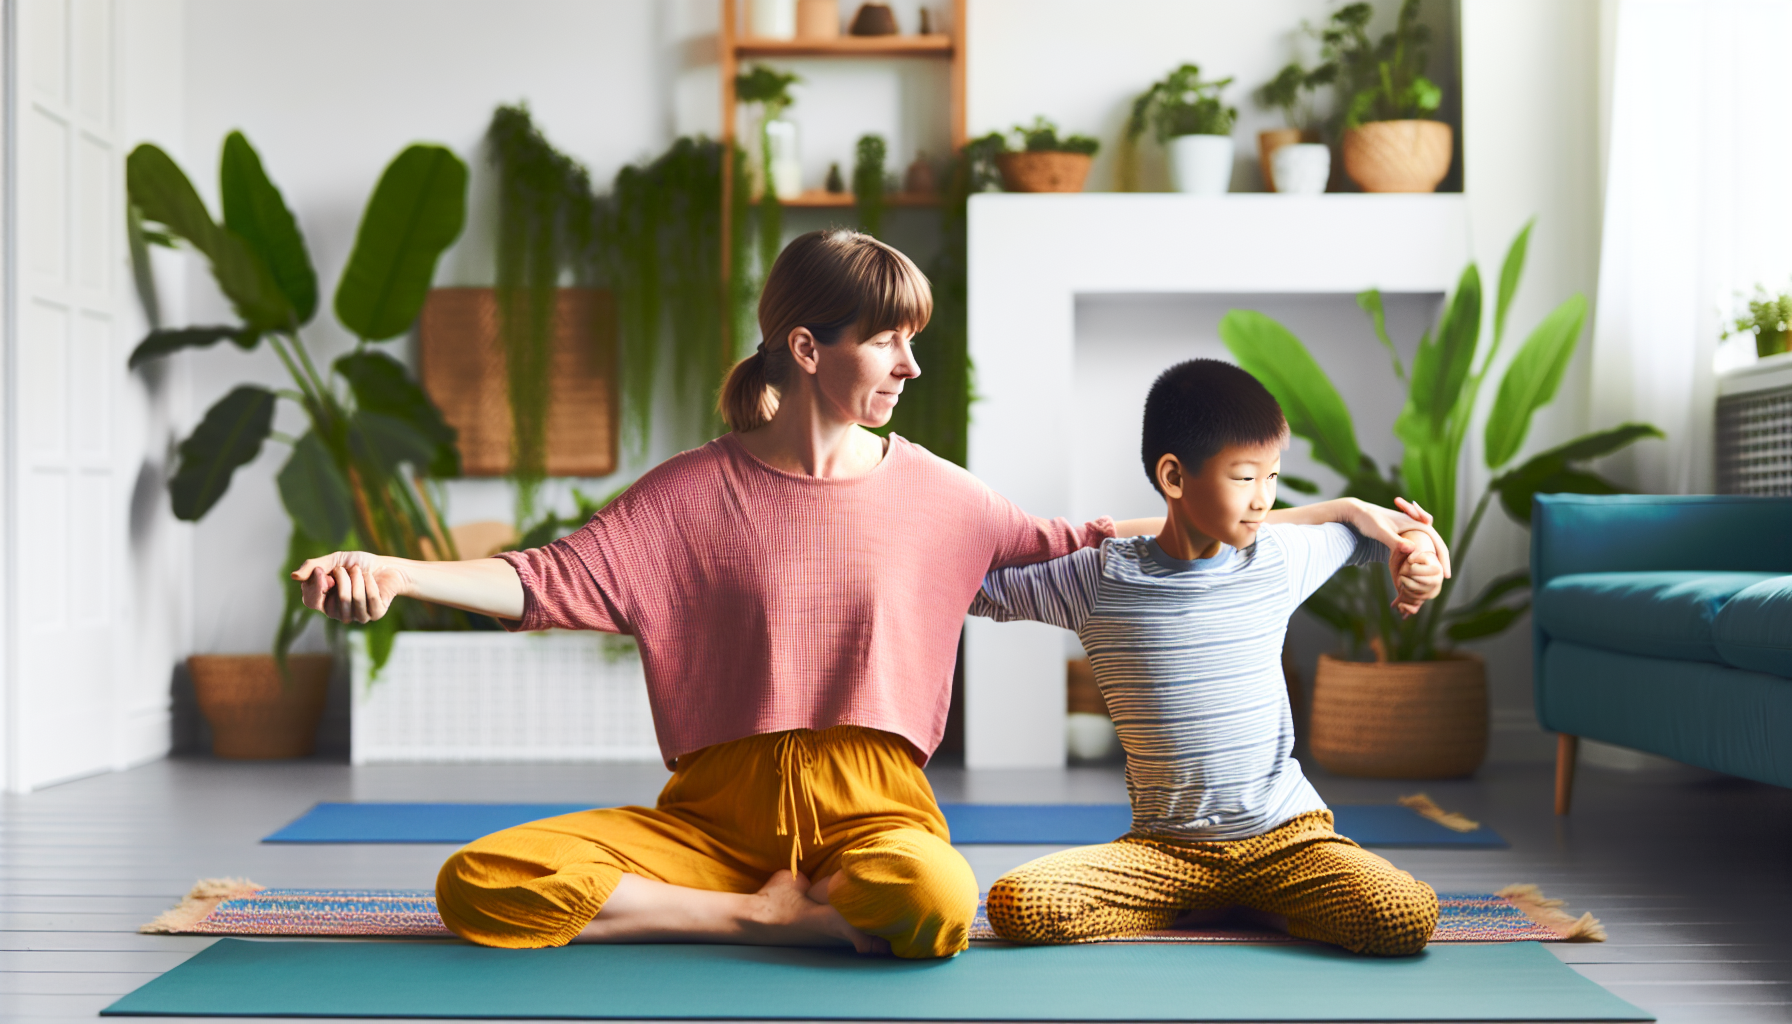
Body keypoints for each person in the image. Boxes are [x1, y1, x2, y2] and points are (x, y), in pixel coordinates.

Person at [292, 231, 1449, 960]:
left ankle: (799, 903)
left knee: (938, 900)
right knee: (480, 881)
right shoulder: (688, 494)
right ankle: (760, 915)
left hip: (873, 802)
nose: (908, 363)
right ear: (806, 347)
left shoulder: (946, 498)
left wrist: (1348, 519)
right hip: (708, 814)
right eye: (888, 340)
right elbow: (543, 579)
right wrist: (395, 574)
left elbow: (1144, 531)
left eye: (913, 342)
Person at [970, 359, 1442, 956]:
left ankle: (1254, 900)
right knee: (1020, 906)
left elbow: (1392, 535)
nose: (1264, 499)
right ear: (1173, 475)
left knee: (1403, 916)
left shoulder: (1279, 557)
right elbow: (970, 581)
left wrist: (1418, 557)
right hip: (1163, 852)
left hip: (1288, 839)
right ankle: (1231, 905)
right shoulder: (1099, 577)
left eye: (1273, 476)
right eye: (1245, 479)